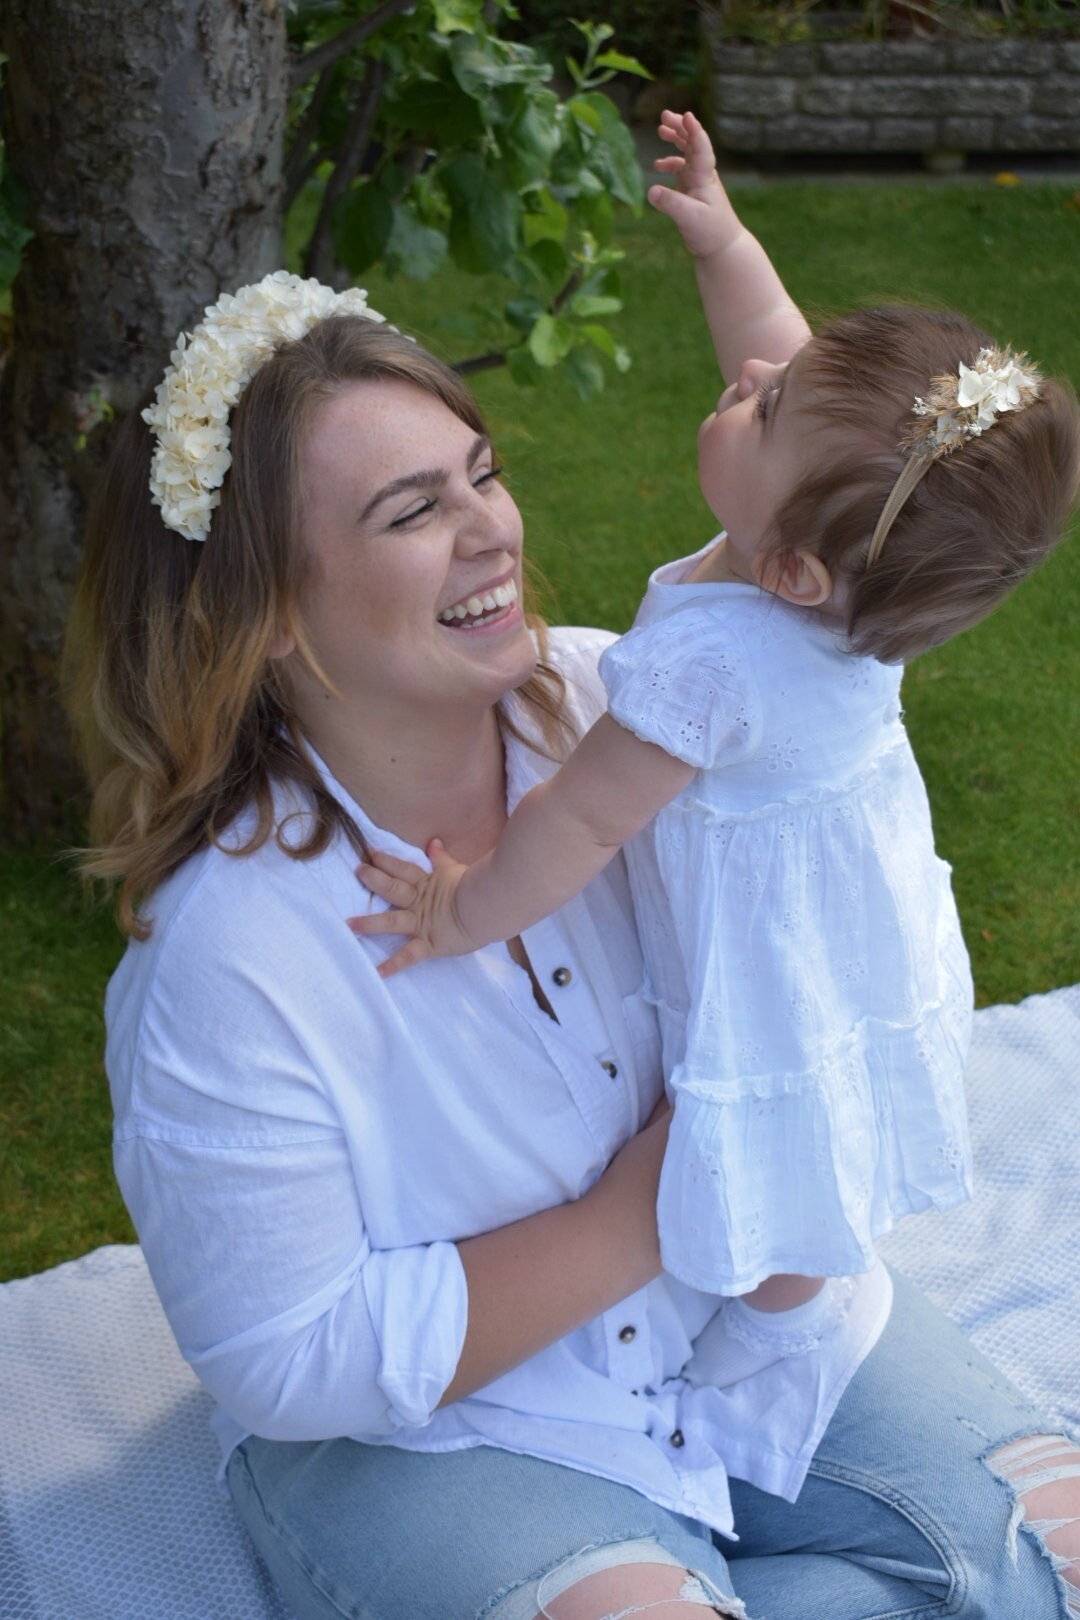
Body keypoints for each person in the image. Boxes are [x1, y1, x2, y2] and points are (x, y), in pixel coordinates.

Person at [62, 251, 1080, 1618]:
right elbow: (290, 1355)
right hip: (442, 1433)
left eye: (482, 472)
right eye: (414, 511)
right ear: (270, 616)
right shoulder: (227, 954)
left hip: (734, 1309)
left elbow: (857, 518)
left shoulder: (630, 704)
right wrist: (641, 1212)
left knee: (1047, 1554)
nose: (493, 531)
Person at [350, 111, 1080, 1386]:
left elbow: (584, 821)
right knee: (827, 1108)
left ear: (789, 567)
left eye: (763, 413)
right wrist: (722, 240)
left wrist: (468, 911)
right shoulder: (855, 572)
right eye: (771, 386)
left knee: (782, 1112)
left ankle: (785, 1323)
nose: (746, 384)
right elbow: (778, 347)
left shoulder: (718, 664)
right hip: (863, 902)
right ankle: (799, 1282)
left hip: (778, 944)